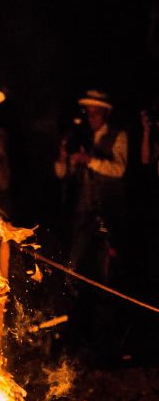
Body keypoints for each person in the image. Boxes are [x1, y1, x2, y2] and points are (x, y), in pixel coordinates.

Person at [54, 89, 128, 284]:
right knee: (76, 261)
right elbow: (63, 174)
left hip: (108, 208)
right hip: (82, 208)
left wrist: (89, 159)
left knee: (107, 265)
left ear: (106, 113)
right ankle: (74, 297)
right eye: (88, 113)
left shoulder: (119, 136)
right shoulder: (80, 136)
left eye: (95, 113)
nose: (91, 117)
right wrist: (63, 159)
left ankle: (107, 303)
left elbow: (118, 169)